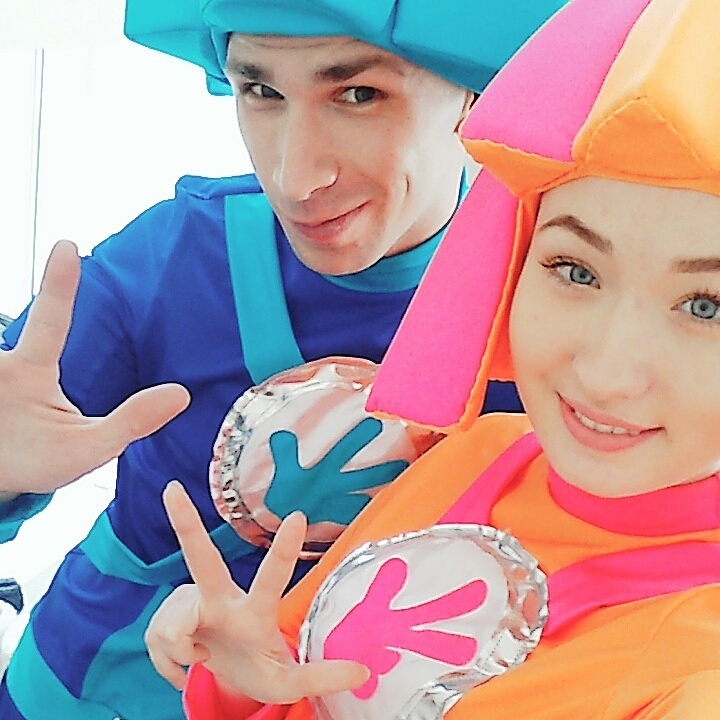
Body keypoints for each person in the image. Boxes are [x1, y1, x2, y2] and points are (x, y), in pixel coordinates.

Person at [145, 0, 720, 717]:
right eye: (575, 269)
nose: (606, 374)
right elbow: (292, 684)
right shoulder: (477, 450)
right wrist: (237, 681)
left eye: (706, 307)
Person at [0, 1, 568, 718]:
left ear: (472, 93)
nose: (294, 177)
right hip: (91, 690)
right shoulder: (170, 263)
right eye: (261, 90)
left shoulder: (557, 291)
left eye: (358, 94)